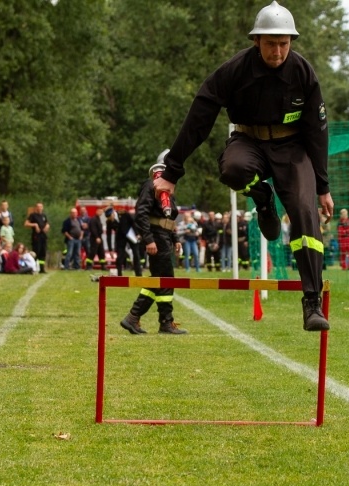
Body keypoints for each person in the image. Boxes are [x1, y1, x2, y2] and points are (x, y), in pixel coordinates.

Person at [153, 1, 331, 330]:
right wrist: (172, 170)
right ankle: (263, 200)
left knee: (305, 213)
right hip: (248, 141)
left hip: (292, 148)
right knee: (232, 169)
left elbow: (317, 132)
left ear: (291, 41)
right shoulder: (234, 71)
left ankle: (312, 302)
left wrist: (323, 186)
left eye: (284, 44)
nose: (277, 51)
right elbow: (200, 117)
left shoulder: (303, 73)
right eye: (270, 44)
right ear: (256, 40)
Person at [120, 152, 187, 335]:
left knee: (159, 279)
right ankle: (161, 321)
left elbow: (168, 217)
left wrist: (175, 239)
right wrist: (149, 239)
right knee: (164, 279)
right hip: (156, 237)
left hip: (164, 237)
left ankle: (136, 318)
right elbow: (141, 213)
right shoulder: (152, 185)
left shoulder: (166, 188)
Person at [116, 205, 143, 276]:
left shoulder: (126, 215)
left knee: (136, 253)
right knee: (120, 255)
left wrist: (137, 234)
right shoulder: (114, 218)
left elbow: (133, 224)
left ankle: (138, 273)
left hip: (131, 235)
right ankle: (119, 273)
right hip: (121, 237)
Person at [25, 202, 50, 273]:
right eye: (38, 207)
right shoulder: (32, 215)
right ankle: (32, 267)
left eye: (41, 207)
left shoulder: (44, 215)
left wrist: (47, 226)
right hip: (36, 236)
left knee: (43, 252)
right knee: (36, 251)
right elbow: (26, 223)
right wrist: (35, 225)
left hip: (43, 236)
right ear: (36, 207)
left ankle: (42, 268)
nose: (39, 208)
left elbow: (47, 223)